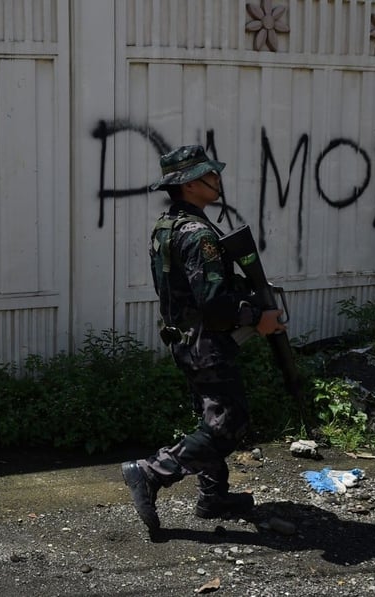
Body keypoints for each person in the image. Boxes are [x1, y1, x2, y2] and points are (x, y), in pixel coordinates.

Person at [121, 145, 285, 539]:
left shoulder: (168, 226)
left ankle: (214, 496)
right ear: (191, 184)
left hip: (186, 339)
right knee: (230, 421)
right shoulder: (199, 236)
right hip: (206, 341)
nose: (218, 181)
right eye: (211, 176)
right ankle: (151, 472)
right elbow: (212, 303)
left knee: (211, 416)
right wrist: (256, 317)